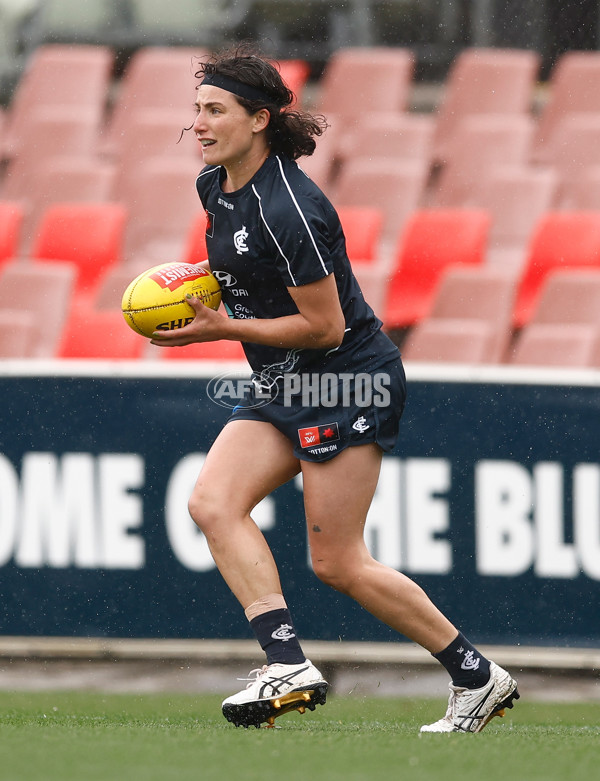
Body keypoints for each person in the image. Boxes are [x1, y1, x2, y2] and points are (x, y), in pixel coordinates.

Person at [151, 44, 519, 733]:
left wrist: (214, 329)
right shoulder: (216, 185)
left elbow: (324, 326)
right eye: (196, 110)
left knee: (337, 560)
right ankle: (286, 660)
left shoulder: (293, 209)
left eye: (213, 110)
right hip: (282, 380)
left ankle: (478, 675)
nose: (197, 124)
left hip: (348, 379)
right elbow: (239, 263)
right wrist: (183, 287)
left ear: (258, 118)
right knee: (211, 502)